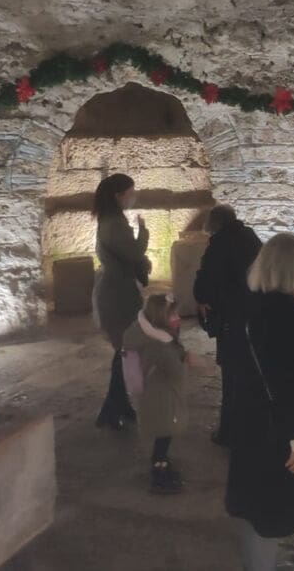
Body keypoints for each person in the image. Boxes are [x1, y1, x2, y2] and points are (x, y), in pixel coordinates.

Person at [225, 233, 294, 571]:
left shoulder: (247, 308)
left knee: (255, 509)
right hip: (276, 431)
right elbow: (292, 385)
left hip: (249, 424)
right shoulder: (291, 320)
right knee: (270, 511)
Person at [193, 204, 263, 446]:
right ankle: (254, 426)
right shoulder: (250, 236)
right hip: (255, 313)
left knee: (232, 377)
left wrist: (202, 298)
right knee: (252, 372)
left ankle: (229, 431)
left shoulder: (219, 244)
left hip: (232, 317)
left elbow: (206, 283)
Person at [92, 173, 150, 432]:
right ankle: (113, 408)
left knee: (125, 350)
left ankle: (117, 406)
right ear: (118, 196)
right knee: (125, 349)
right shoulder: (114, 223)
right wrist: (144, 231)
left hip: (119, 292)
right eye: (131, 192)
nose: (133, 196)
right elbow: (134, 253)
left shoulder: (111, 220)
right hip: (118, 296)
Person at [122, 293, 195, 495]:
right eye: (173, 315)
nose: (178, 318)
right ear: (161, 318)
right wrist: (185, 359)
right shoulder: (160, 344)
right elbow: (176, 371)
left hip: (152, 394)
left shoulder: (143, 333)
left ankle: (161, 463)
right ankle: (159, 474)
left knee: (163, 434)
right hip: (162, 397)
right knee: (165, 432)